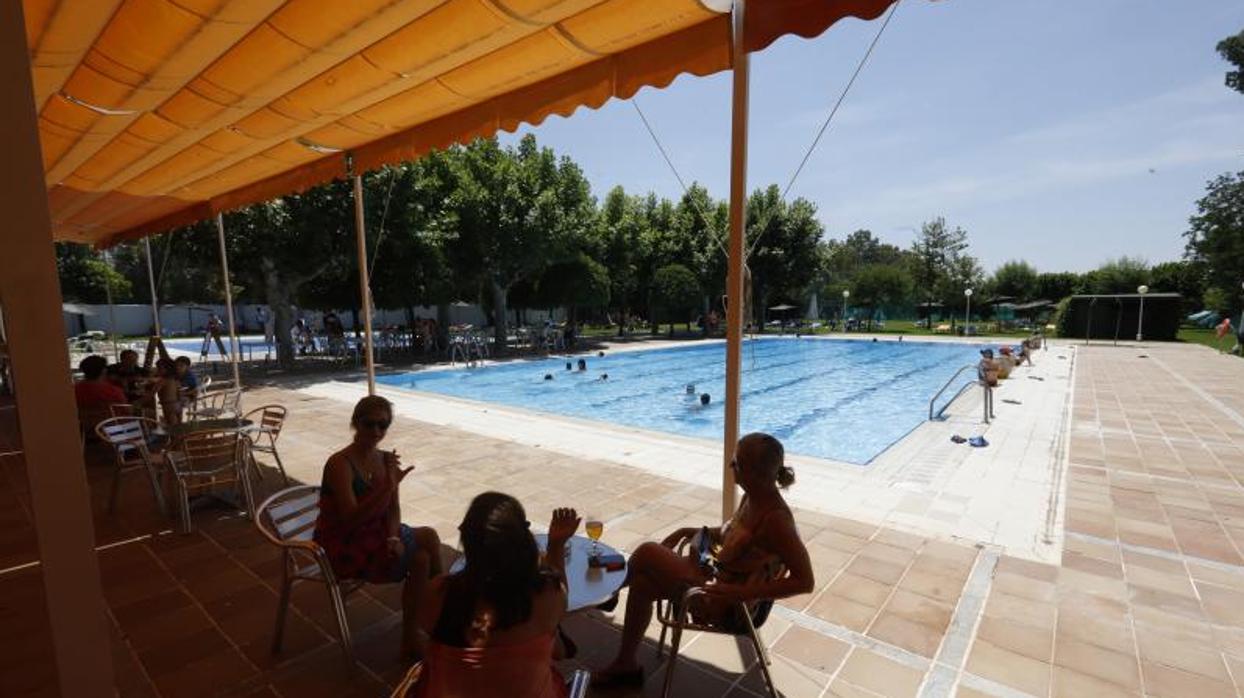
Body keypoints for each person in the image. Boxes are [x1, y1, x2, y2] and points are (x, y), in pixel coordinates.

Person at [593, 434, 813, 687]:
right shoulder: (752, 497)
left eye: (736, 463)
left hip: (727, 603)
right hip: (715, 578)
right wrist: (688, 530)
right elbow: (730, 533)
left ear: (754, 472)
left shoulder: (776, 520)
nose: (731, 466)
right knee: (642, 584)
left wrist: (742, 593)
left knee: (647, 552)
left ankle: (607, 593)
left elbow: (805, 581)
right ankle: (626, 666)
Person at [409, 494, 579, 697]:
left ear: (468, 542)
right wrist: (556, 545)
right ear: (522, 540)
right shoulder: (549, 595)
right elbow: (559, 610)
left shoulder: (436, 594)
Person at [314, 396, 442, 660]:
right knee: (428, 539)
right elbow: (350, 519)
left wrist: (394, 537)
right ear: (355, 423)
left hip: (378, 532)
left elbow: (393, 508)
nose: (375, 432)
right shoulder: (340, 464)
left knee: (422, 559)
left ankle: (421, 630)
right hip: (344, 544)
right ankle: (442, 614)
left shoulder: (385, 459)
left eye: (382, 426)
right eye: (368, 424)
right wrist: (387, 486)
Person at [977, 349, 997, 420]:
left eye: (984, 354)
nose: (982, 355)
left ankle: (986, 417)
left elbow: (982, 373)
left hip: (986, 382)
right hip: (994, 381)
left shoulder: (983, 361)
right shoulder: (994, 361)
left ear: (987, 354)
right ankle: (990, 414)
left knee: (979, 367)